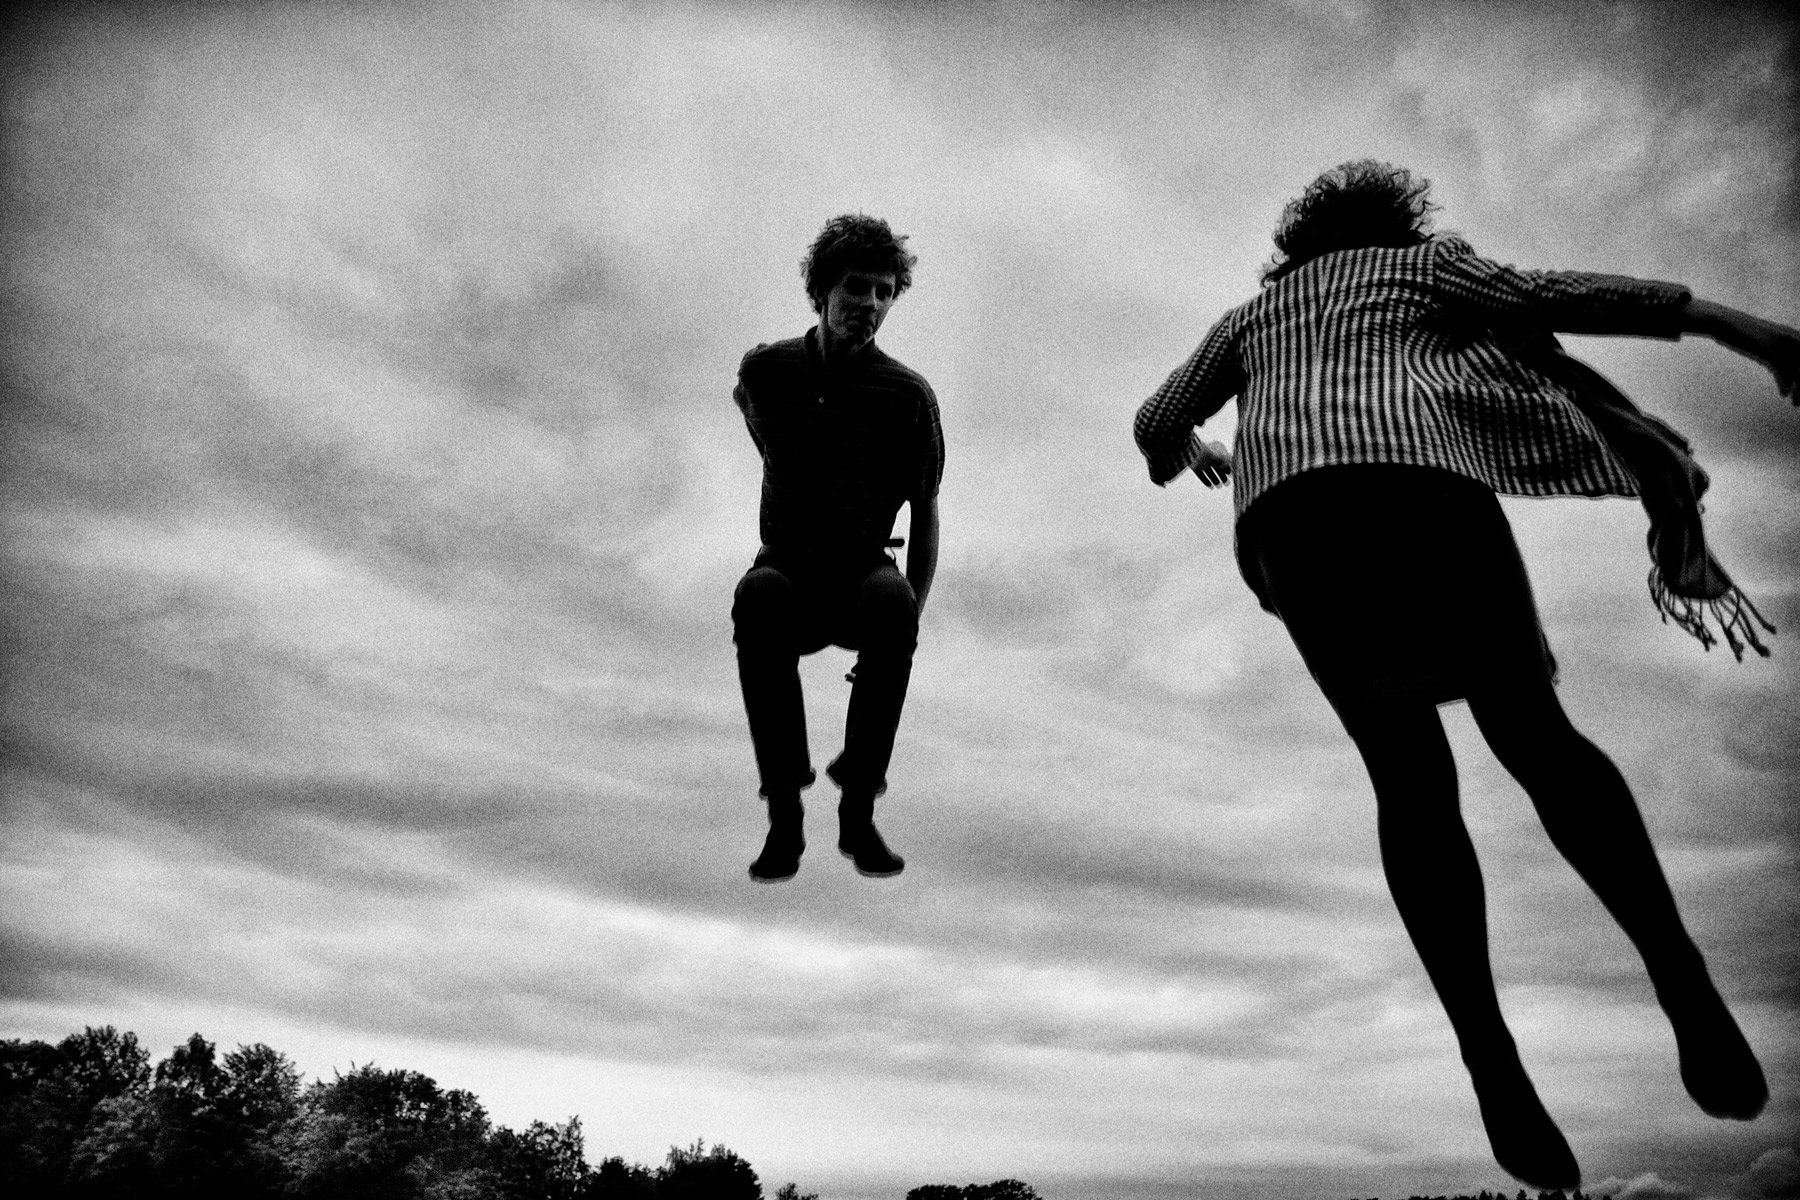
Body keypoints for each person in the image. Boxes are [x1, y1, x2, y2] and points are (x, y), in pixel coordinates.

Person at [1132, 160, 1799, 1189]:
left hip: (1293, 526)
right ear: (1398, 223)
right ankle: (1679, 973)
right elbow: (1548, 297)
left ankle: (1488, 1056)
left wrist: (1205, 456)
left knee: (1408, 778)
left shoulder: (1249, 319)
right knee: (1536, 738)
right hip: (1418, 491)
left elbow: (1155, 422)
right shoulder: (1420, 268)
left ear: (1296, 245)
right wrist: (1733, 328)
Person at [731, 213, 943, 883]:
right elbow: (756, 417)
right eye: (857, 288)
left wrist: (911, 615)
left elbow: (925, 506)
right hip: (789, 567)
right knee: (757, 594)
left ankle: (857, 813)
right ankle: (785, 819)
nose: (871, 305)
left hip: (861, 572)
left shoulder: (907, 395)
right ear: (822, 291)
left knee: (891, 598)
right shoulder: (767, 371)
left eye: (885, 292)